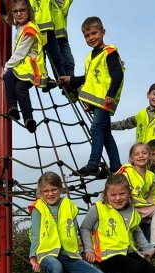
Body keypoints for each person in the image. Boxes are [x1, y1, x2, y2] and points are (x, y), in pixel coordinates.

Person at [29, 172, 104, 273]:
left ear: (61, 189)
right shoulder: (38, 208)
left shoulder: (68, 205)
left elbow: (74, 228)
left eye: (54, 189)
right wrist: (33, 258)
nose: (50, 194)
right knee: (55, 267)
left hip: (69, 254)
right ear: (40, 193)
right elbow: (35, 233)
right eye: (46, 191)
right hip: (47, 254)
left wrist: (84, 249)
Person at [58, 16, 125, 177]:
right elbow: (89, 79)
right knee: (106, 133)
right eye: (87, 36)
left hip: (105, 99)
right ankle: (115, 165)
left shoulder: (109, 53)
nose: (91, 38)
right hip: (98, 101)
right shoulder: (91, 56)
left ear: (103, 32)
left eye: (94, 33)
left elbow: (117, 75)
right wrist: (70, 79)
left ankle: (93, 163)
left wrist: (110, 94)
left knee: (95, 129)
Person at [115, 142, 155, 258]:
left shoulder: (150, 175)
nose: (141, 156)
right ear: (131, 158)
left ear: (148, 156)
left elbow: (148, 195)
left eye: (144, 153)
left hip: (139, 205)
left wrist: (152, 206)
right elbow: (114, 183)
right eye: (137, 154)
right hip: (127, 204)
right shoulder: (127, 170)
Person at [1, 0, 46, 134]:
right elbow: (8, 20)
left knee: (15, 82)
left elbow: (20, 52)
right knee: (14, 81)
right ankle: (17, 111)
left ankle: (25, 116)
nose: (19, 14)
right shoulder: (20, 26)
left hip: (31, 67)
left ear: (29, 11)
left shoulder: (30, 28)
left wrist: (6, 66)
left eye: (23, 10)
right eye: (15, 11)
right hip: (21, 67)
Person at [50, 0, 75, 77]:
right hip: (49, 34)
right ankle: (64, 83)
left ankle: (71, 83)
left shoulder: (67, 1)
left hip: (62, 36)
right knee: (58, 61)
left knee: (69, 62)